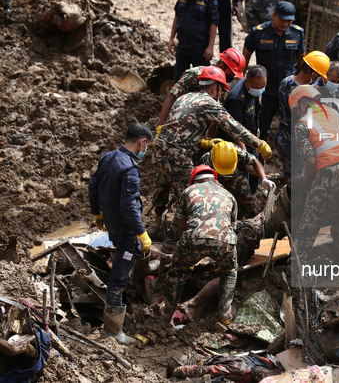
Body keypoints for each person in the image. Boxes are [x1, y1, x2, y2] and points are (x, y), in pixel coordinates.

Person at [154, 66, 272, 240]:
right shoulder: (210, 103)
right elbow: (235, 128)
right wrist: (259, 143)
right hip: (178, 156)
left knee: (163, 188)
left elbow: (180, 127)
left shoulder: (185, 97)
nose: (222, 95)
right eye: (221, 91)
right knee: (189, 199)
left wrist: (200, 141)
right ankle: (174, 244)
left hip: (160, 150)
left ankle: (158, 227)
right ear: (215, 88)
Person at [88, 124, 154, 345]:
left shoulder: (107, 158)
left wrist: (97, 213)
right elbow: (129, 207)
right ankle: (113, 331)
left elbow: (93, 186)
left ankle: (120, 319)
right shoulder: (130, 169)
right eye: (147, 147)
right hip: (126, 231)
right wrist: (141, 233)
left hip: (113, 225)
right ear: (142, 142)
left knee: (122, 271)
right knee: (118, 279)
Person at [160, 165, 239, 324]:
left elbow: (181, 228)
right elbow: (232, 229)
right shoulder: (230, 196)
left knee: (176, 271)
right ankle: (225, 314)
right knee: (230, 270)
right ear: (215, 180)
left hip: (193, 239)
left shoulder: (188, 192)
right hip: (225, 243)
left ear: (193, 181)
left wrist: (185, 256)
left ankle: (167, 313)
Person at [291, 85, 339, 265]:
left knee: (308, 226)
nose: (297, 114)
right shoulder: (333, 112)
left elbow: (311, 161)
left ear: (302, 103)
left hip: (329, 174)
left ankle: (295, 267)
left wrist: (309, 185)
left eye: (296, 109)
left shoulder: (302, 124)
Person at [243, 1, 306, 142]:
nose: (285, 24)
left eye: (289, 21)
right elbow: (245, 56)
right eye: (282, 20)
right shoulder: (258, 32)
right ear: (273, 15)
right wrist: (242, 79)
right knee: (262, 120)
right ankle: (261, 145)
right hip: (266, 86)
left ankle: (287, 147)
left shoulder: (297, 33)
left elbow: (302, 59)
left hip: (289, 87)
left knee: (292, 120)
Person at [276, 51, 330, 179]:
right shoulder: (305, 95)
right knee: (296, 177)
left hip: (282, 136)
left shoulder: (286, 81)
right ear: (313, 74)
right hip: (294, 142)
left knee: (288, 173)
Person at [219, 65, 267, 192]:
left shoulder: (255, 86)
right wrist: (245, 158)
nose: (260, 90)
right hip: (237, 147)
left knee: (253, 180)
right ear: (247, 82)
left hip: (250, 140)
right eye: (257, 88)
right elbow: (235, 132)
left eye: (263, 87)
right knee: (242, 185)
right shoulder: (237, 99)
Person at [200, 140, 275, 218]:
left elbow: (255, 161)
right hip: (212, 174)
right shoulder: (205, 159)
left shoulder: (237, 151)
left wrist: (264, 179)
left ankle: (252, 220)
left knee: (247, 197)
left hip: (232, 172)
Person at [168, 0, 220, 82]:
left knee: (202, 80)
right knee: (179, 78)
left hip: (200, 47)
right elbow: (177, 17)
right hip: (183, 44)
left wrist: (210, 47)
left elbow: (213, 24)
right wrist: (171, 39)